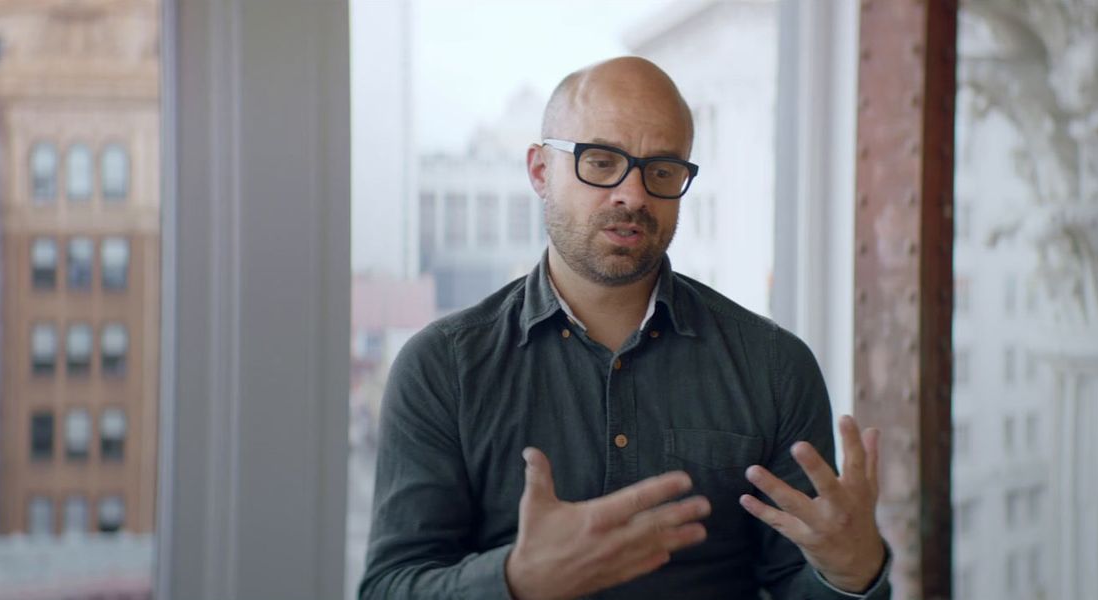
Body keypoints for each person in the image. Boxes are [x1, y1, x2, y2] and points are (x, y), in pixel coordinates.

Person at [360, 56, 891, 599]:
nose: (633, 195)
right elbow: (388, 587)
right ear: (541, 171)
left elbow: (794, 582)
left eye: (661, 170)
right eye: (601, 160)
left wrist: (853, 574)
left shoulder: (775, 367)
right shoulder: (442, 366)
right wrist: (515, 582)